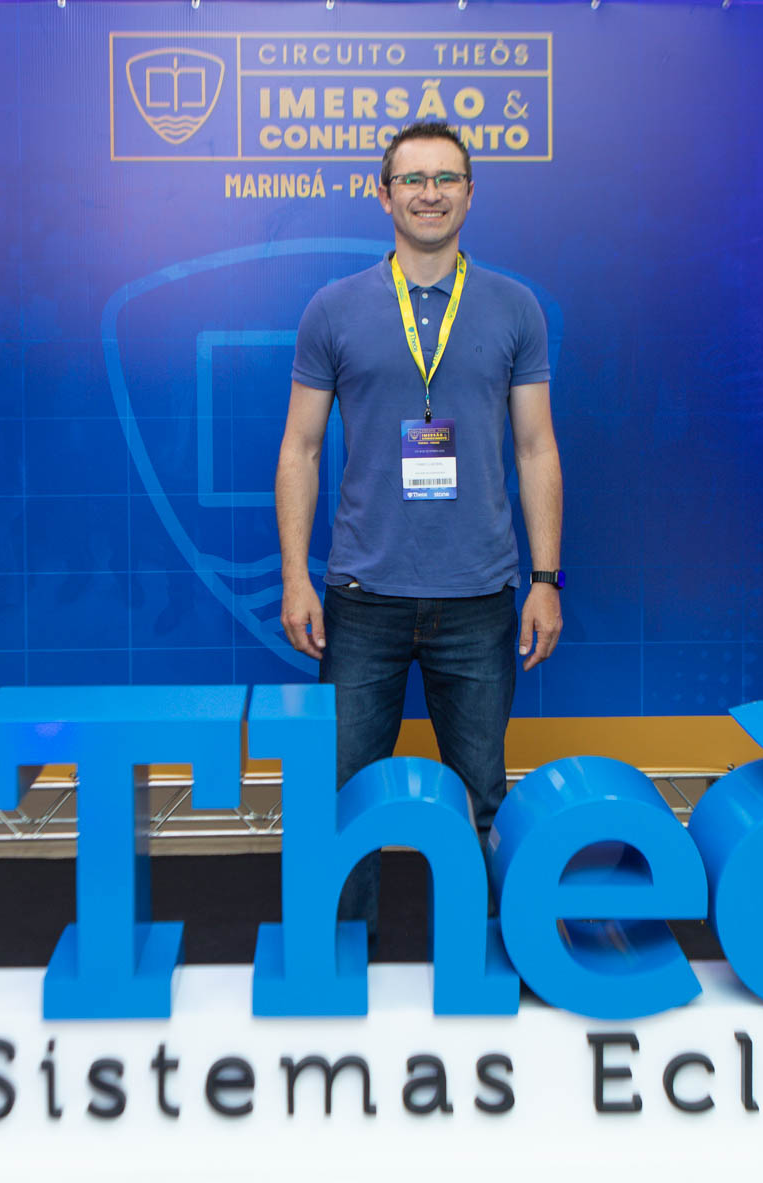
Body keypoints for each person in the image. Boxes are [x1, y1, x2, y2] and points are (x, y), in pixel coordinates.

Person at [274, 120, 564, 932]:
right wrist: (296, 576)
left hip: (478, 599)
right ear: (384, 195)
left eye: (445, 179)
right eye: (412, 179)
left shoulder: (515, 308)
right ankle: (340, 959)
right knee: (344, 800)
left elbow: (537, 449)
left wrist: (546, 580)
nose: (429, 193)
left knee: (481, 799)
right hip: (362, 597)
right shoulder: (333, 309)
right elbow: (299, 449)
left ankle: (483, 959)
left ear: (470, 193)